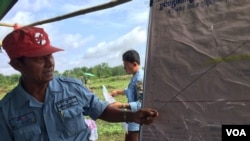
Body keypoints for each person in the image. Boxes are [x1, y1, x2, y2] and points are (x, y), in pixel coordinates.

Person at [0, 26, 159, 141]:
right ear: (17, 65)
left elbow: (101, 110)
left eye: (50, 55)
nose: (50, 63)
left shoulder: (72, 88)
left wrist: (132, 116)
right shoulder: (6, 111)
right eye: (40, 58)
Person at [109, 49, 144, 141]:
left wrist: (121, 105)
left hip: (137, 121)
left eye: (126, 65)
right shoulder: (136, 76)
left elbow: (141, 104)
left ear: (134, 64)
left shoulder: (140, 79)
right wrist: (117, 92)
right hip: (133, 118)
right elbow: (131, 91)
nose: (124, 68)